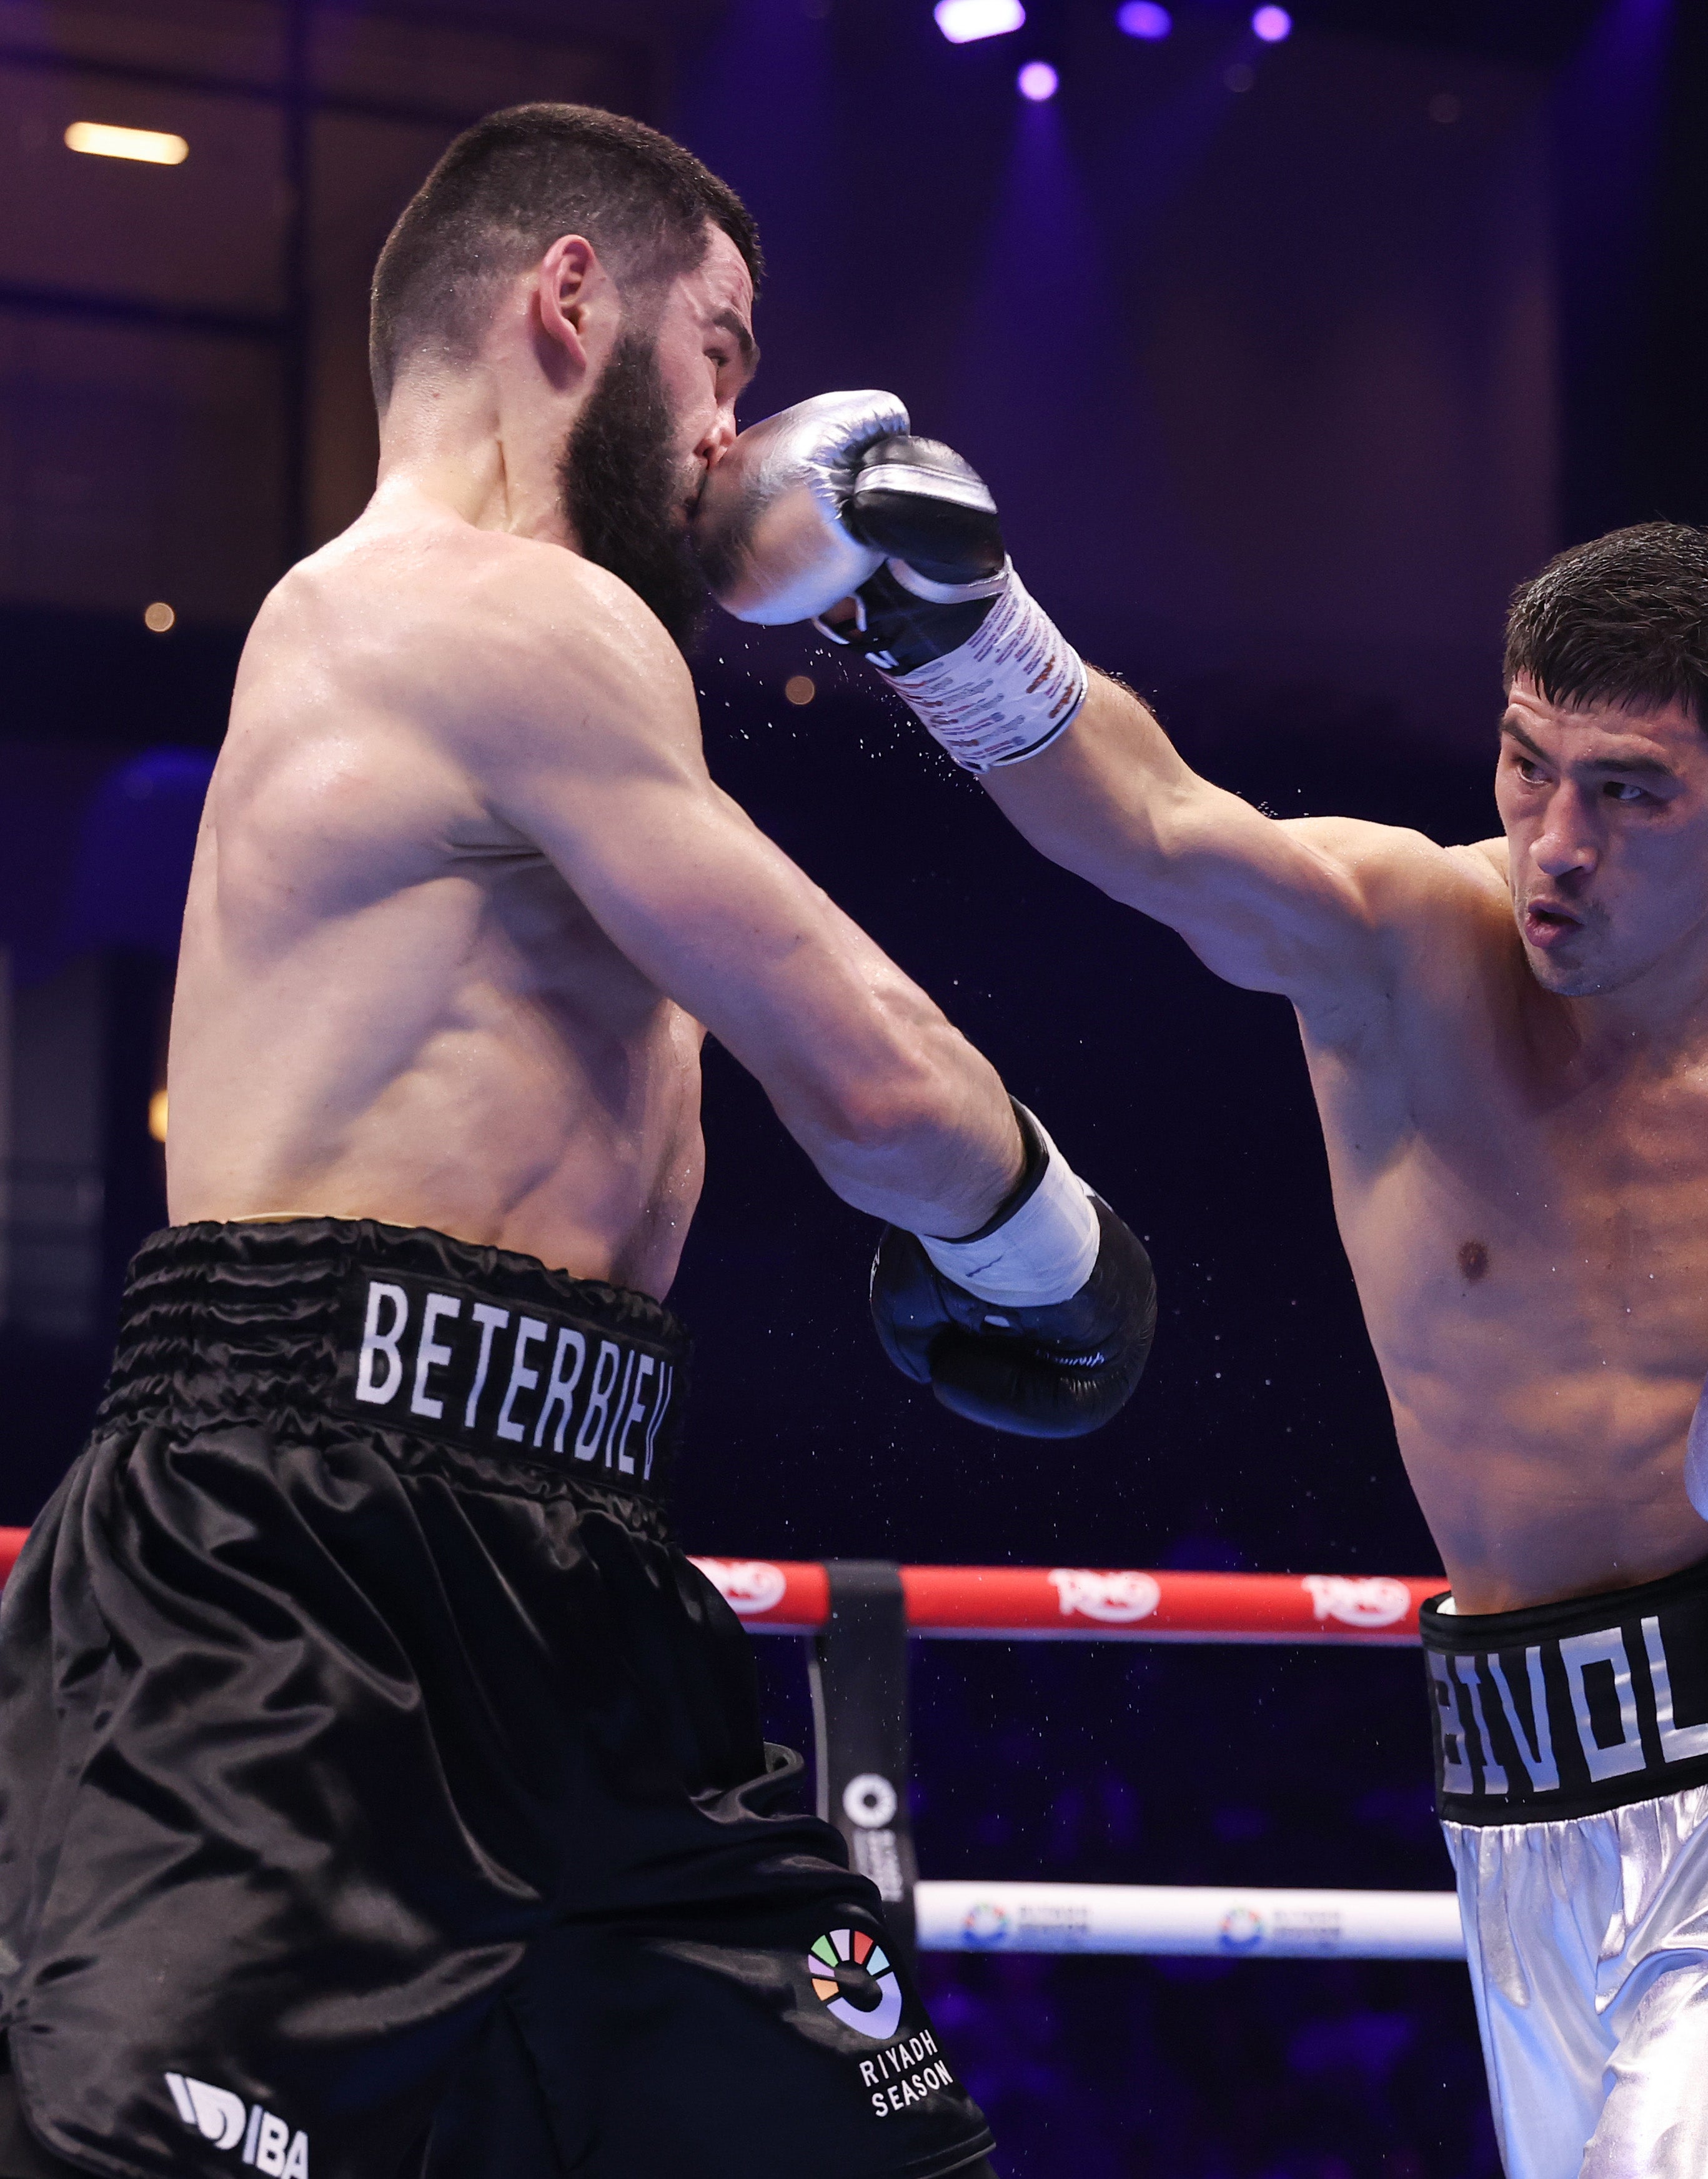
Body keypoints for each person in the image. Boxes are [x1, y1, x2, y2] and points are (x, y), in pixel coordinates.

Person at [693, 406, 1708, 2178]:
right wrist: (957, 619)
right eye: (1525, 766)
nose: (1554, 843)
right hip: (1515, 1792)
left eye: (1629, 792)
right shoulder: (1401, 954)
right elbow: (1152, 827)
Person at [0, 108, 1155, 2179]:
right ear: (569, 302)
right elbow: (880, 1078)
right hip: (299, 1565)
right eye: (720, 350)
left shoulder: (517, 648)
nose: (736, 429)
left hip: (576, 1568)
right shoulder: (482, 612)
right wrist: (1057, 1255)